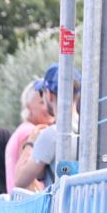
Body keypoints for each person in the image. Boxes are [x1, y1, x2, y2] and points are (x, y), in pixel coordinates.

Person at [14, 63, 82, 191]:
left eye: (41, 93)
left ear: (49, 95)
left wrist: (30, 143)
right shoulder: (92, 132)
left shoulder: (52, 135)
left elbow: (19, 180)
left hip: (61, 209)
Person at [4, 79, 54, 193]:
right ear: (29, 106)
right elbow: (28, 179)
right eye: (42, 102)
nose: (48, 106)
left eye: (49, 101)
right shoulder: (31, 132)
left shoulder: (23, 130)